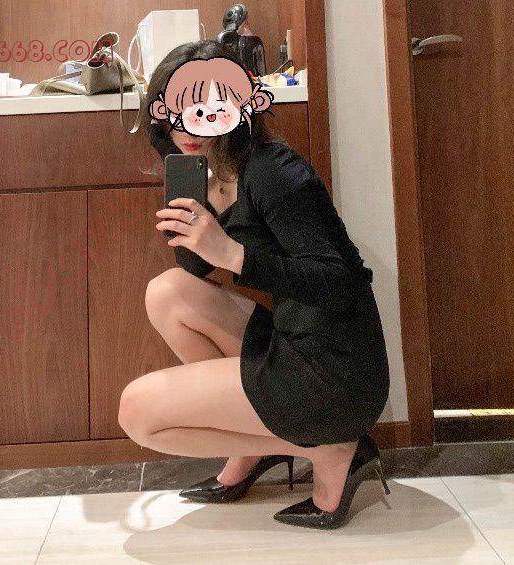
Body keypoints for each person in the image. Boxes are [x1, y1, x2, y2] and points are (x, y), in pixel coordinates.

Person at [118, 40, 391, 530]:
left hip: (335, 367)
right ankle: (254, 448)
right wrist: (187, 186)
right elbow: (193, 267)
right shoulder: (210, 170)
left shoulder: (274, 171)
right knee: (168, 291)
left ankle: (332, 447)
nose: (187, 129)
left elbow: (339, 281)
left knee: (137, 412)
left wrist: (231, 254)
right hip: (293, 336)